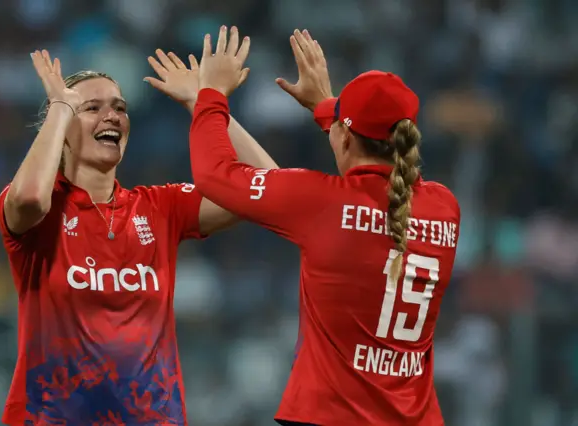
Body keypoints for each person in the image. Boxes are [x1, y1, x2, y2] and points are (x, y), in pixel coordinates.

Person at [189, 26, 460, 426]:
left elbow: (215, 174)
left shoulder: (319, 201)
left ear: (345, 136)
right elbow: (375, 162)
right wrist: (328, 107)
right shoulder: (445, 207)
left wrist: (210, 96)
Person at [0, 46, 276, 425]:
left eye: (120, 107)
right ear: (60, 130)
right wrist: (61, 106)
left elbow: (269, 190)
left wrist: (204, 103)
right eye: (92, 108)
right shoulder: (39, 211)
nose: (111, 115)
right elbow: (30, 197)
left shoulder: (160, 207)